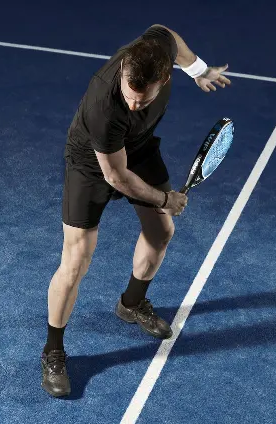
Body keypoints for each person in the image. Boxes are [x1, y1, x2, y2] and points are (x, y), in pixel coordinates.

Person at [42, 24, 231, 397]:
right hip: (92, 164)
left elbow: (170, 36)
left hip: (139, 148)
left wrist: (197, 69)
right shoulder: (105, 106)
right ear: (124, 73)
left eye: (142, 101)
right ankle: (53, 351)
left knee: (161, 233)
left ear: (163, 77)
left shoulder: (157, 50)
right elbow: (116, 176)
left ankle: (131, 304)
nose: (133, 105)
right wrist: (164, 199)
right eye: (129, 96)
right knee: (76, 259)